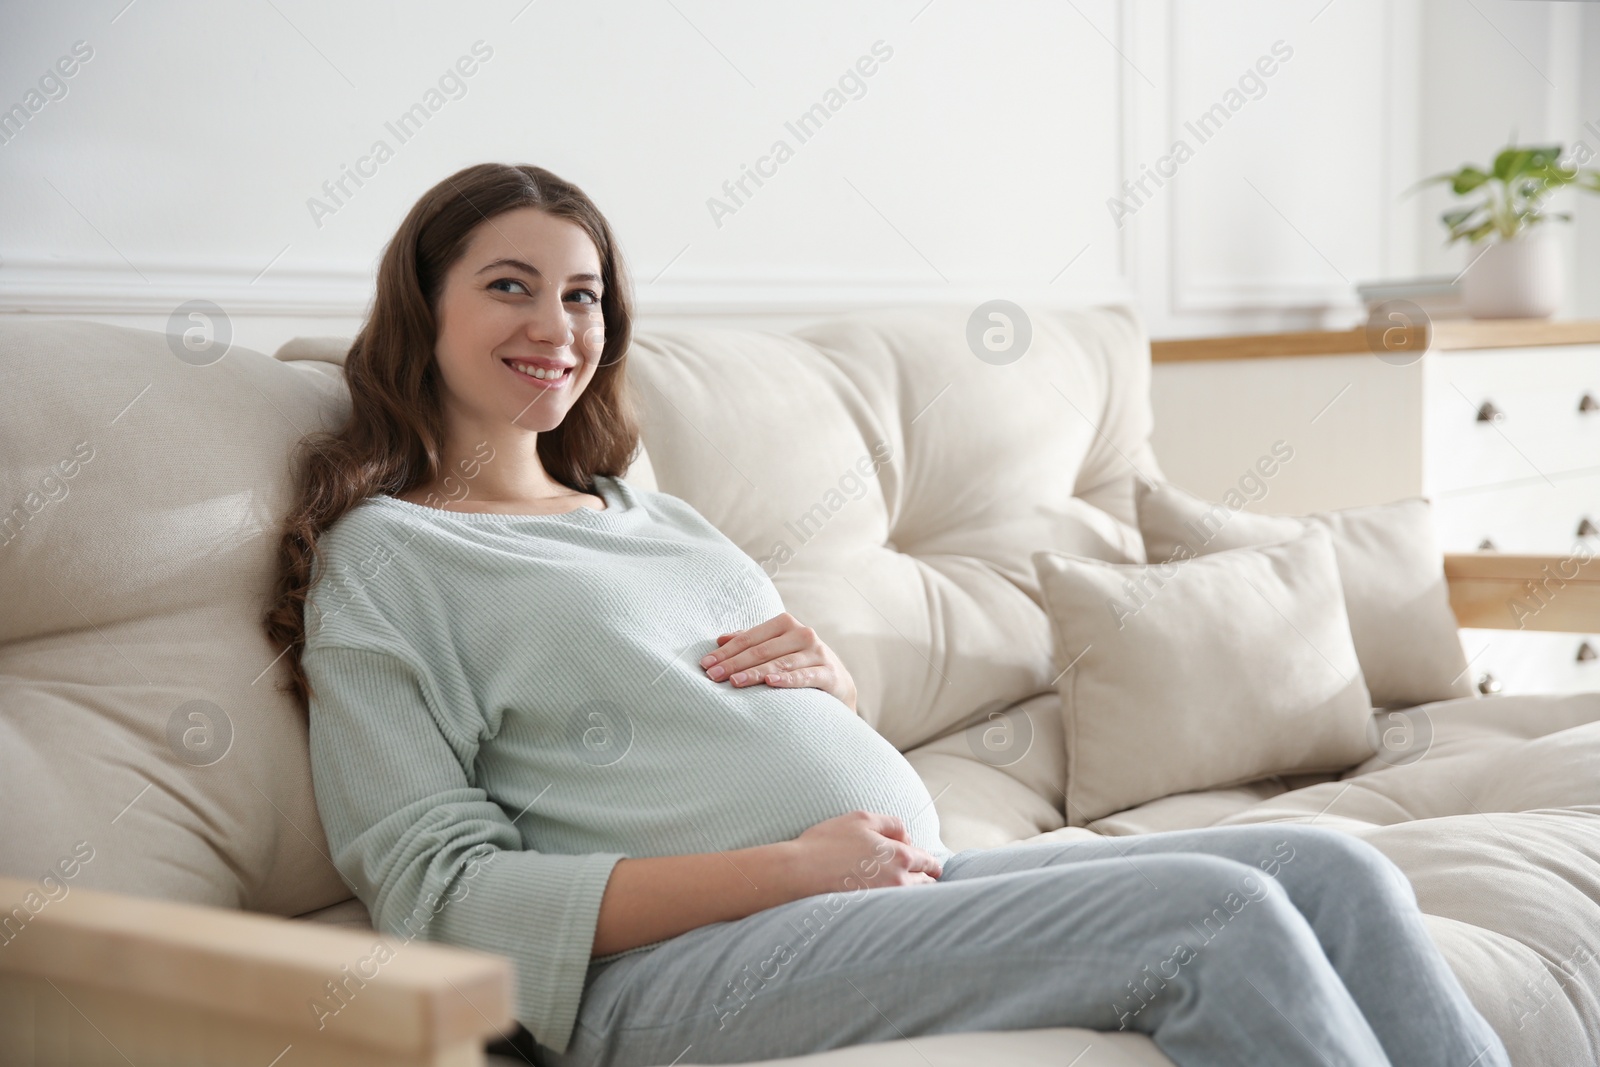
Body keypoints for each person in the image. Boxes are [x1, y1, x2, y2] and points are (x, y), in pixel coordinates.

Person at [263, 162, 1511, 1067]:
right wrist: (789, 864)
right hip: (658, 977)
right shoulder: (394, 558)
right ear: (424, 310)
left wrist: (834, 687)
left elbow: (735, 710)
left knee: (1334, 867)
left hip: (885, 890)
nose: (557, 327)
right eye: (511, 286)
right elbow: (442, 894)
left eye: (585, 295)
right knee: (1216, 917)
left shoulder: (643, 512)